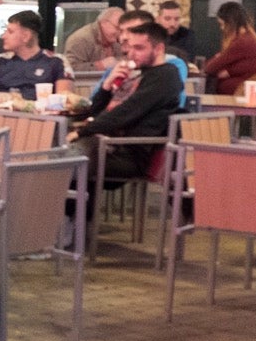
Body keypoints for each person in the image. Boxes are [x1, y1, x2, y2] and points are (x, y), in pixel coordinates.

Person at [68, 19, 184, 210]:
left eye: (139, 48)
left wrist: (82, 132)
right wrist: (107, 87)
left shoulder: (165, 77)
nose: (131, 53)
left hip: (128, 154)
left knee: (67, 162)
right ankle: (69, 226)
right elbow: (94, 112)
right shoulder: (136, 74)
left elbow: (125, 113)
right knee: (58, 155)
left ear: (159, 48)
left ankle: (70, 228)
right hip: (106, 144)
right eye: (131, 48)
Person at [0, 11, 73, 101]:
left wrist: (24, 104)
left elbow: (64, 101)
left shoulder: (56, 62)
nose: (3, 36)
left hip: (41, 120)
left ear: (26, 36)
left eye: (10, 32)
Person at [204, 2, 256, 96]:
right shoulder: (249, 38)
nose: (221, 28)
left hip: (240, 92)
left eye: (222, 24)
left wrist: (223, 62)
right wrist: (230, 70)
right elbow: (246, 66)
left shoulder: (241, 42)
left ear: (230, 23)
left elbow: (210, 67)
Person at [64, 6, 124, 73]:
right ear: (104, 23)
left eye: (122, 30)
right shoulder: (80, 39)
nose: (120, 33)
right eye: (117, 28)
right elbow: (70, 69)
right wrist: (100, 65)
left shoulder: (117, 39)